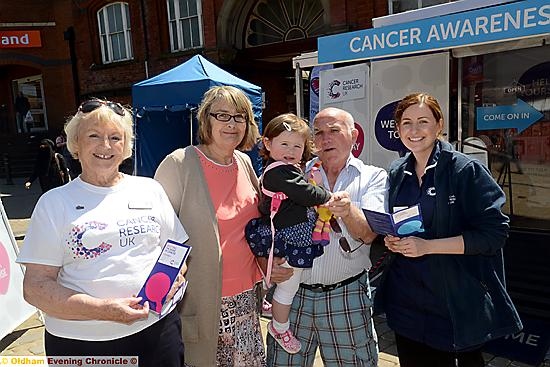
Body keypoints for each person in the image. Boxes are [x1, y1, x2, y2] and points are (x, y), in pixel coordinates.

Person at [17, 99, 188, 367]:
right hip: (83, 346)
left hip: (157, 332)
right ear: (76, 143)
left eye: (115, 137)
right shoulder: (54, 203)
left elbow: (176, 252)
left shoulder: (150, 190)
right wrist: (104, 310)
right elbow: (36, 288)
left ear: (126, 145)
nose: (105, 146)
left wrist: (174, 277)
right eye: (94, 136)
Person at [374, 93, 522, 367]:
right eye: (406, 123)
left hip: (452, 307)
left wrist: (428, 246)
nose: (414, 131)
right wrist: (394, 240)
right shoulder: (397, 170)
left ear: (439, 124)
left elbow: (494, 234)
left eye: (423, 121)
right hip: (406, 306)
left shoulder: (464, 170)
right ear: (398, 129)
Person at [267, 107, 388, 366]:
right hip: (293, 296)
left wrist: (347, 211)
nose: (325, 139)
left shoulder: (372, 176)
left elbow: (368, 235)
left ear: (354, 136)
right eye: (319, 133)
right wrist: (264, 263)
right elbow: (261, 218)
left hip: (346, 294)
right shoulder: (292, 173)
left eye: (334, 130)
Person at [154, 86, 266, 366]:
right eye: (222, 115)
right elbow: (156, 235)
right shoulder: (179, 164)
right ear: (207, 120)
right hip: (204, 304)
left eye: (240, 116)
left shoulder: (243, 161)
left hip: (246, 298)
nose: (232, 124)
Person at [245, 113, 332, 354]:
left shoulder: (282, 169)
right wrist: (328, 196)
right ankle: (279, 327)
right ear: (268, 144)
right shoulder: (280, 172)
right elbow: (305, 193)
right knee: (289, 287)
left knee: (285, 282)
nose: (291, 150)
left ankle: (269, 300)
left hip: (287, 232)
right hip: (291, 235)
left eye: (297, 145)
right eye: (284, 144)